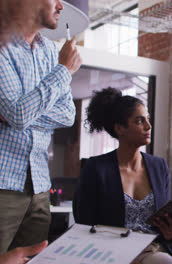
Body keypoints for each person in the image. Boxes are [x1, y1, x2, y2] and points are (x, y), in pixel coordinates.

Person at [0, 0, 82, 254]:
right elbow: (19, 113)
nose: (61, 6)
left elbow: (68, 115)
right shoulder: (2, 44)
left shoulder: (50, 51)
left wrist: (17, 111)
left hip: (39, 186)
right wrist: (64, 71)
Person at [75, 88, 172, 264]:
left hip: (151, 249)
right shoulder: (96, 168)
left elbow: (164, 223)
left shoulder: (159, 166)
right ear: (120, 128)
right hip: (110, 251)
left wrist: (170, 234)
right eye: (140, 121)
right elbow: (85, 224)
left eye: (148, 119)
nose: (148, 126)